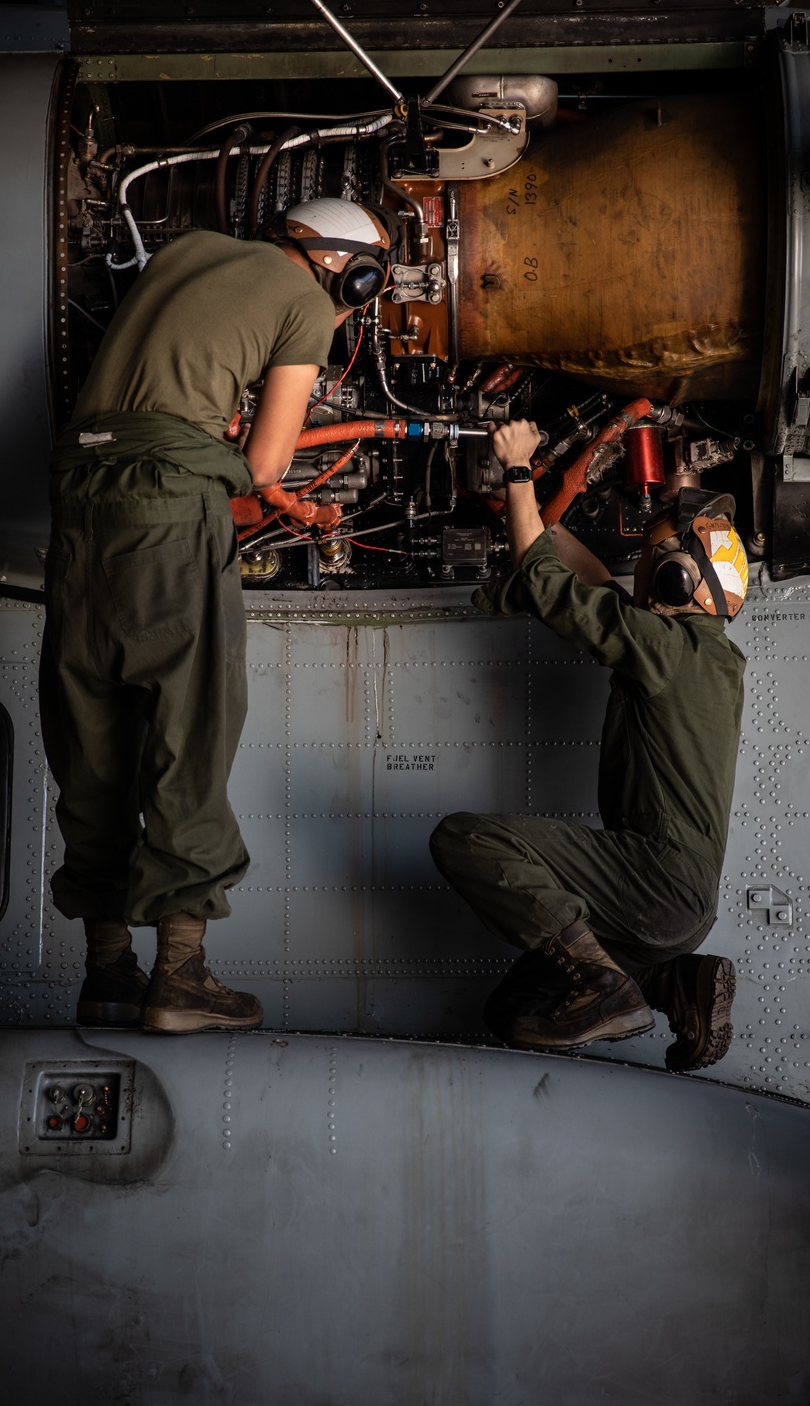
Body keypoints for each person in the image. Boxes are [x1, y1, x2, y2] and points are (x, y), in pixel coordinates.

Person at [41, 198, 392, 1033]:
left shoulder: (187, 248)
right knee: (188, 731)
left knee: (92, 736)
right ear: (350, 267)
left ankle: (108, 975)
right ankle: (183, 976)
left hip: (77, 501)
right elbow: (268, 461)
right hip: (167, 510)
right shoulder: (309, 303)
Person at [429, 418, 748, 1070]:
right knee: (515, 1011)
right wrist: (525, 509)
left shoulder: (665, 651)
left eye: (652, 561)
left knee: (464, 839)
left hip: (652, 882)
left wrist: (519, 471)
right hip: (675, 911)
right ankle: (671, 984)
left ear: (674, 584)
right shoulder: (708, 657)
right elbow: (592, 582)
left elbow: (548, 585)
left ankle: (606, 987)